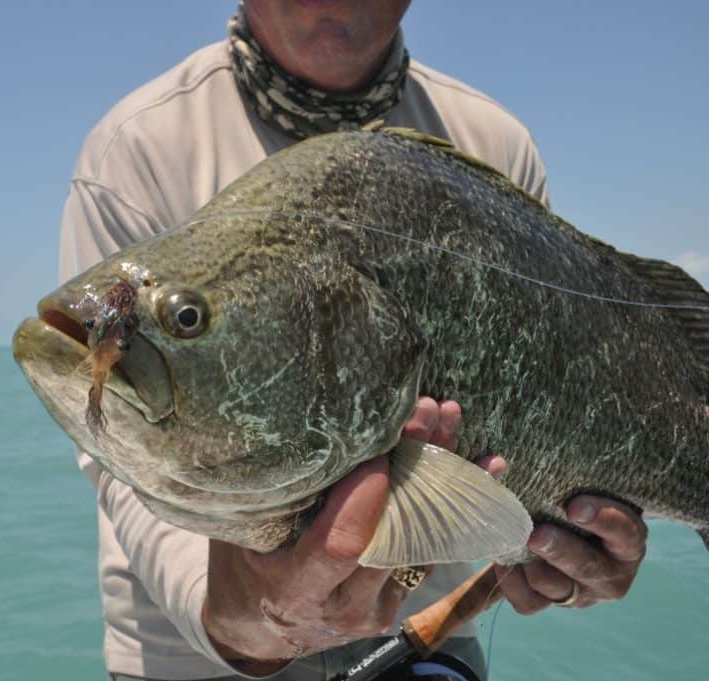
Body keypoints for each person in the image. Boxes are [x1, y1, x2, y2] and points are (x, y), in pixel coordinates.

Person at [58, 2, 648, 679]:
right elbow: (120, 457)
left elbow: (548, 414)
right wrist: (235, 609)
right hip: (194, 656)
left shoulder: (497, 146)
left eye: (189, 316)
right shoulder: (134, 151)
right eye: (189, 317)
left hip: (423, 641)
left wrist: (555, 559)